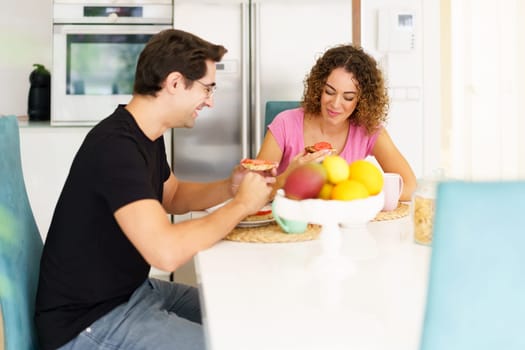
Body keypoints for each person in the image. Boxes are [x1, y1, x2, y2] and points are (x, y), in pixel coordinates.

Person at [35, 29, 275, 350]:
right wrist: (242, 205)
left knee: (242, 312)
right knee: (229, 343)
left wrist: (230, 187)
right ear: (175, 83)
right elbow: (166, 252)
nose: (210, 100)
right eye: (207, 88)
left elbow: (173, 197)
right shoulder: (115, 147)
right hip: (89, 322)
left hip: (134, 293)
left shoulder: (145, 134)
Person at [256, 44, 416, 201]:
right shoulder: (284, 123)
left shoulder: (368, 130)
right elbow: (253, 191)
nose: (335, 104)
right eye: (329, 92)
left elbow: (409, 186)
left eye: (348, 97)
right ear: (319, 87)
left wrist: (360, 194)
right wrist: (286, 177)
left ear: (362, 100)